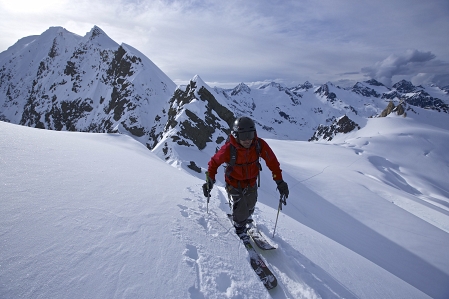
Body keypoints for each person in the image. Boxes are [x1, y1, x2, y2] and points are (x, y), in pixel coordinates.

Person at [202, 116, 289, 239]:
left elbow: (272, 162)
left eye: (250, 134)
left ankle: (244, 218)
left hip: (251, 181)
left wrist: (279, 182)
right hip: (234, 182)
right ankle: (239, 227)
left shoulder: (259, 145)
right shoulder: (229, 149)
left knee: (251, 204)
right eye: (243, 136)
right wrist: (209, 180)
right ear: (236, 135)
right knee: (242, 206)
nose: (247, 139)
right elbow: (214, 163)